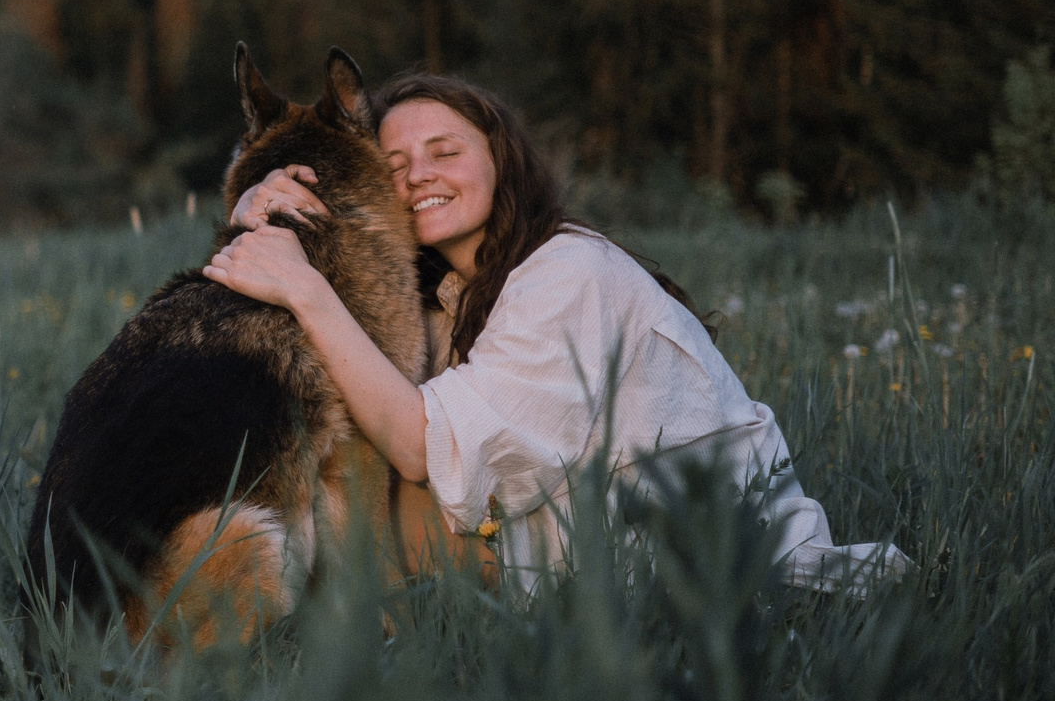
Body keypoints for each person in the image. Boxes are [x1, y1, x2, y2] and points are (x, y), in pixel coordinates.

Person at [201, 73, 907, 596]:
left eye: (445, 151)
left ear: (500, 158)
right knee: (337, 478)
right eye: (393, 165)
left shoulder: (568, 271)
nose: (418, 175)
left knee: (364, 499)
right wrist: (260, 203)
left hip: (708, 562)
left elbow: (422, 447)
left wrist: (306, 287)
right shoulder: (442, 299)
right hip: (586, 554)